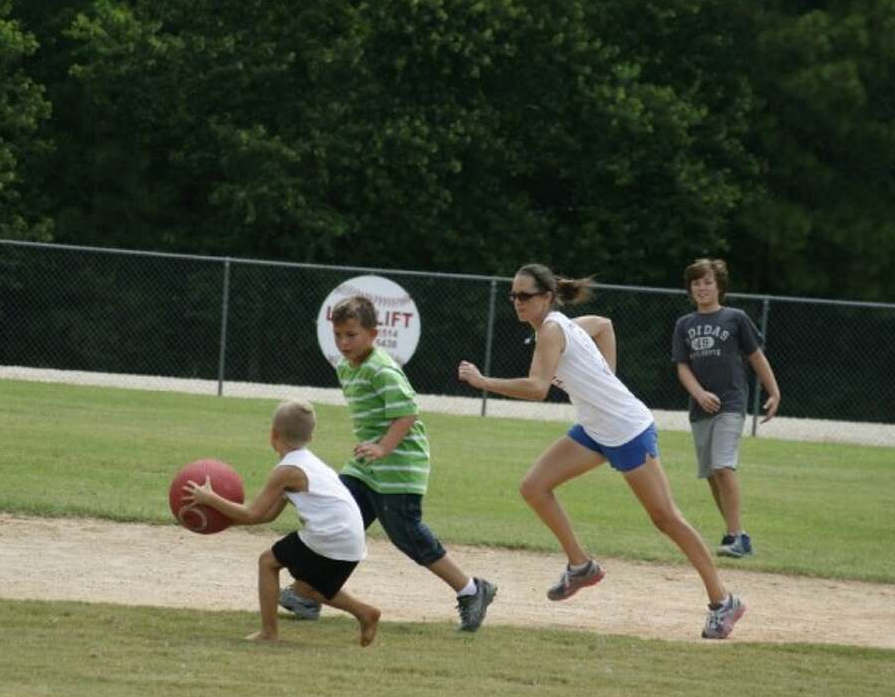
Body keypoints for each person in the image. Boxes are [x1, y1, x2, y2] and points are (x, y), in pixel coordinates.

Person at [457, 263, 745, 639]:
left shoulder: (550, 330)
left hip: (626, 429)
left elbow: (537, 387)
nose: (517, 302)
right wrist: (606, 377)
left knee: (666, 518)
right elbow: (605, 325)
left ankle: (724, 601)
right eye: (513, 295)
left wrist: (482, 382)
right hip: (596, 428)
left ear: (546, 297)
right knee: (534, 487)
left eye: (525, 295)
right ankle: (581, 566)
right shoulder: (564, 323)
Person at [279, 295, 497, 633]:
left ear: (373, 333)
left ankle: (472, 590)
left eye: (351, 334)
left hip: (400, 464)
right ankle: (310, 595)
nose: (344, 342)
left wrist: (383, 447)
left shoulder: (381, 368)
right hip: (367, 464)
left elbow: (408, 412)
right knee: (340, 521)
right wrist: (375, 450)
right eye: (338, 334)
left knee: (406, 534)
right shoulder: (345, 366)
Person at [183, 399, 380, 646]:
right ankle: (365, 612)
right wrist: (225, 523)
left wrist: (209, 499)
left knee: (267, 562)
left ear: (273, 434)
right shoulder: (307, 463)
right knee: (305, 590)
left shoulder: (287, 471)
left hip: (330, 536)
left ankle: (268, 633)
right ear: (312, 435)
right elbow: (268, 515)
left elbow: (253, 513)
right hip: (350, 539)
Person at [672, 258, 781, 559]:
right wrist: (698, 393)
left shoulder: (735, 318)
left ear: (719, 285)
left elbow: (756, 357)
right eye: (696, 283)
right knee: (711, 473)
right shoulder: (685, 324)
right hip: (700, 407)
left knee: (723, 466)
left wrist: (774, 391)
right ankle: (739, 535)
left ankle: (734, 536)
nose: (702, 288)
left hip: (731, 403)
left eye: (707, 282)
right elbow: (682, 367)